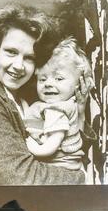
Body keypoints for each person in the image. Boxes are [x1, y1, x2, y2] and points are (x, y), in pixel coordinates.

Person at [0, 3, 93, 186]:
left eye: (29, 58)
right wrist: (84, 178)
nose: (19, 66)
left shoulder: (31, 97)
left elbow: (69, 150)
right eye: (11, 52)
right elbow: (24, 178)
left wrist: (79, 112)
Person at [24, 37, 94, 173]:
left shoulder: (57, 110)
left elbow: (51, 145)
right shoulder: (69, 105)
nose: (48, 83)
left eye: (59, 78)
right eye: (42, 79)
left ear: (77, 84)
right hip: (71, 168)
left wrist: (32, 147)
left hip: (59, 168)